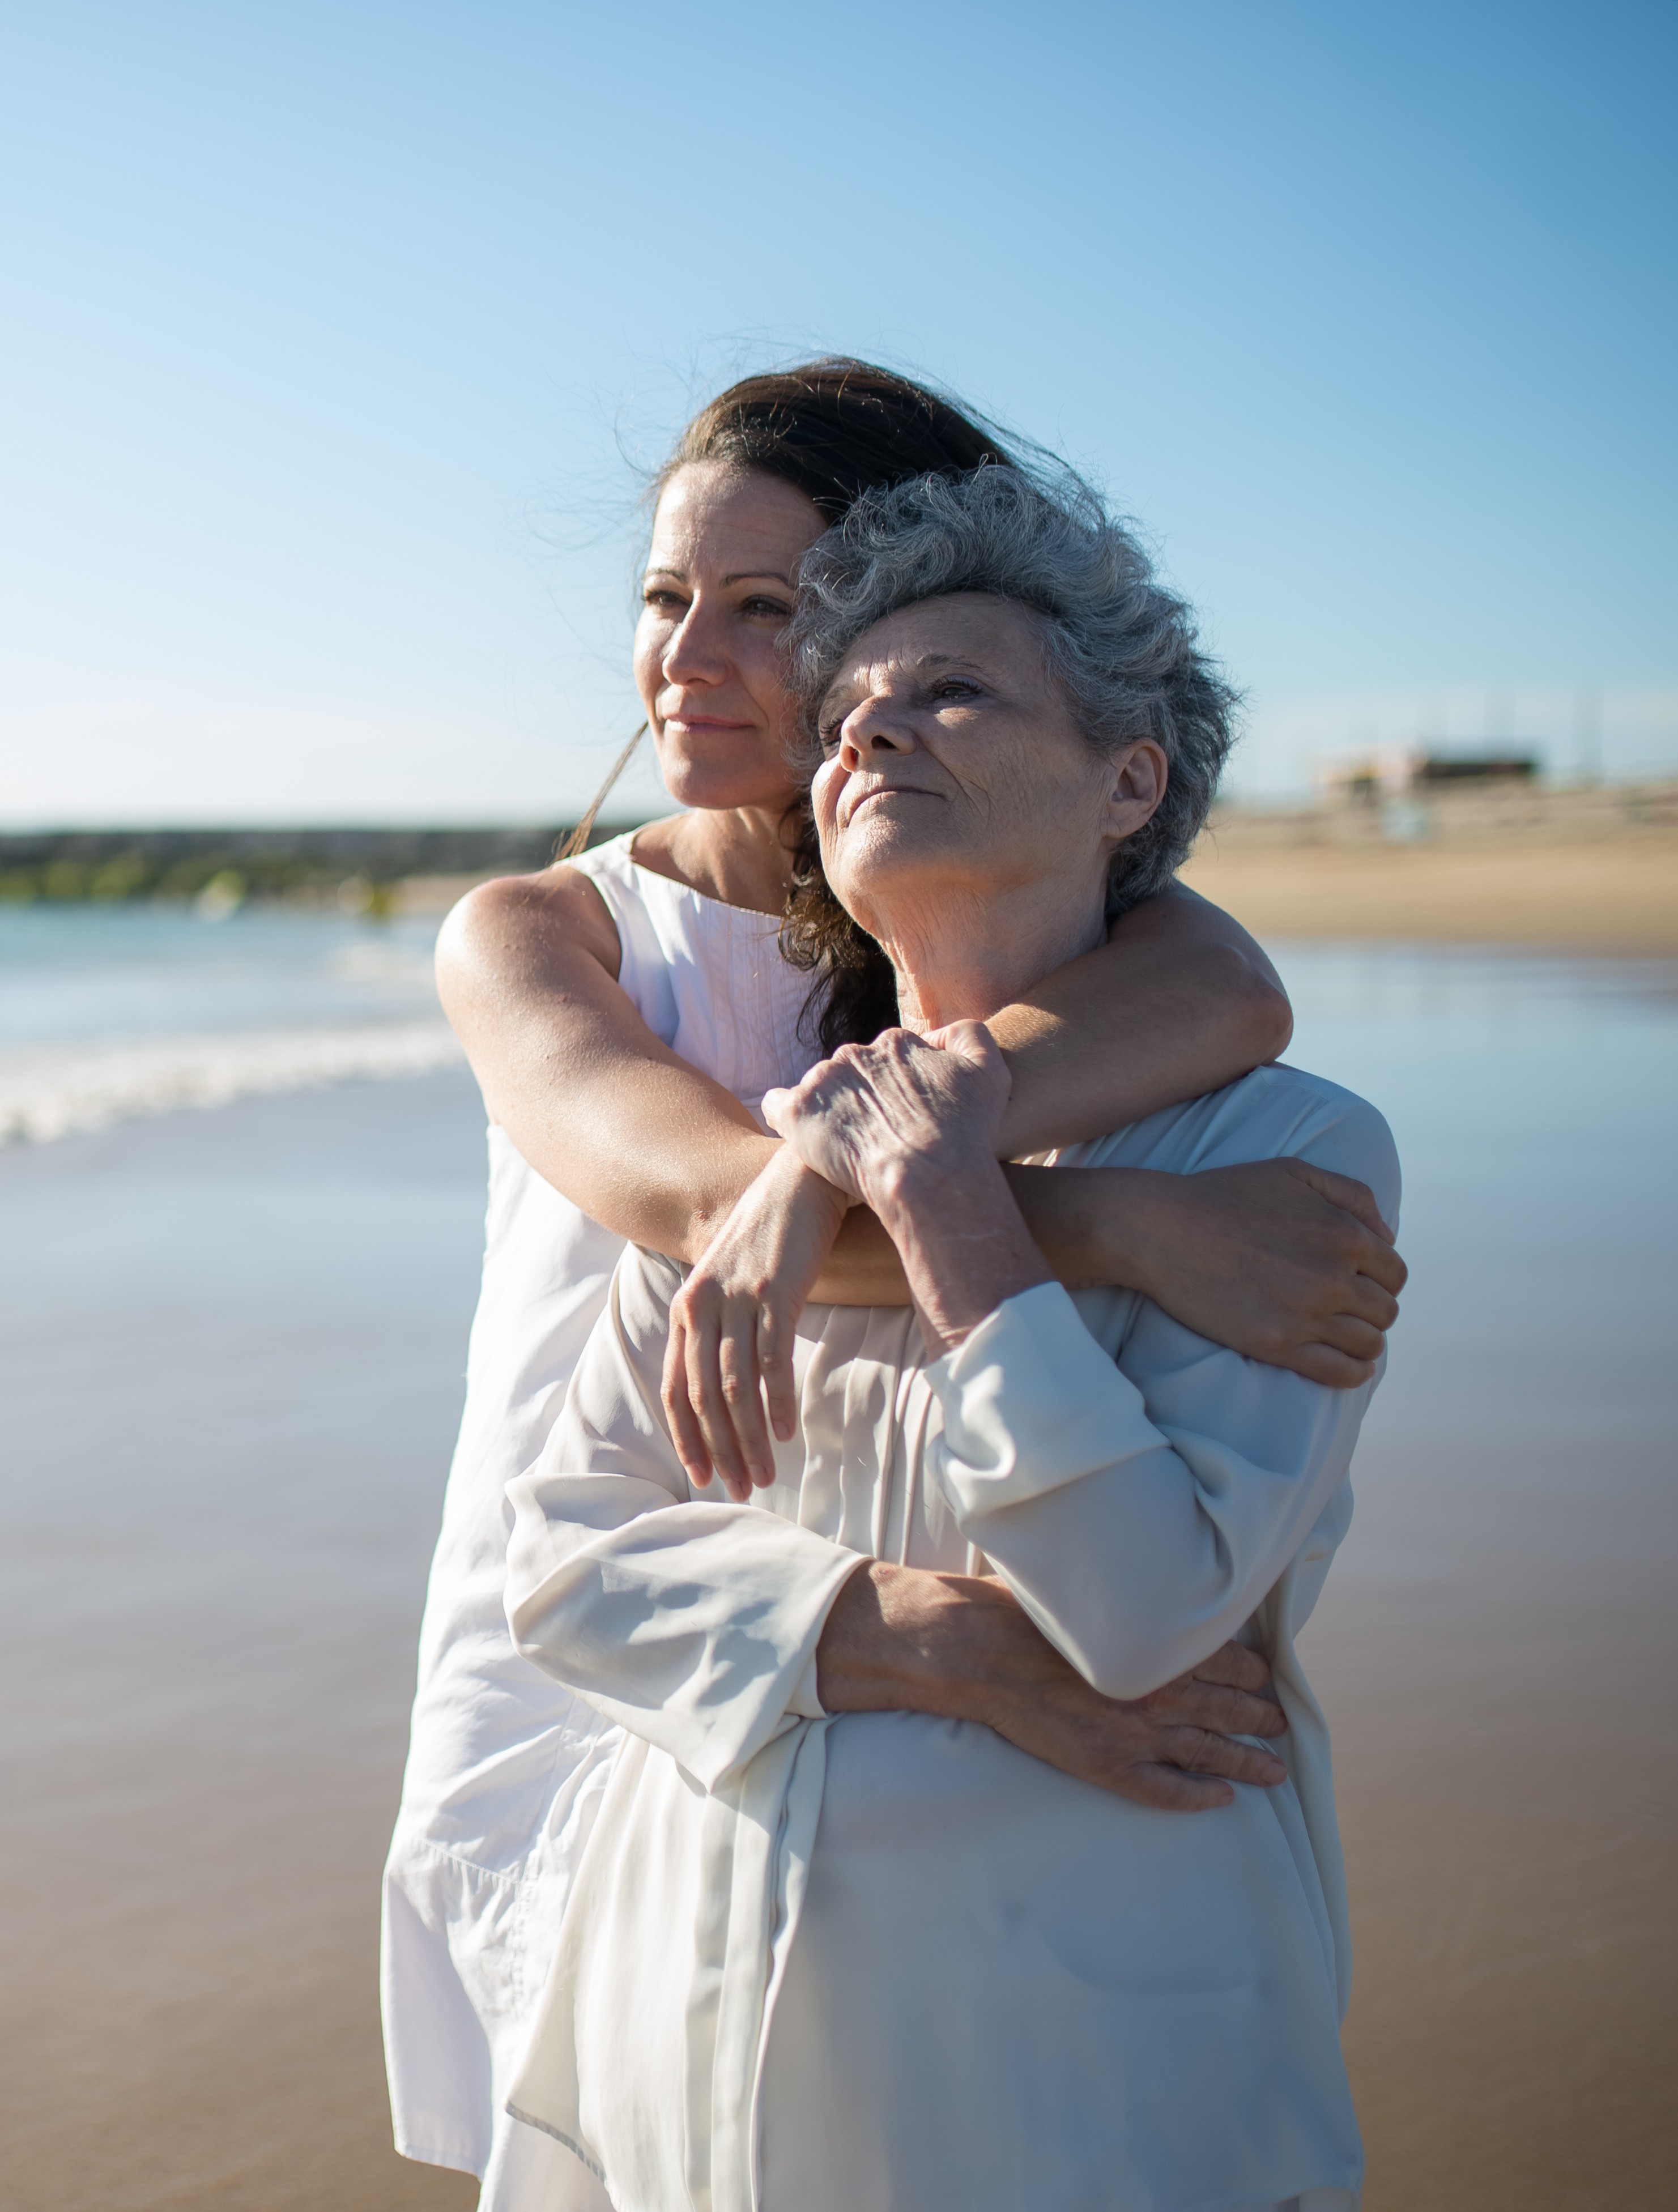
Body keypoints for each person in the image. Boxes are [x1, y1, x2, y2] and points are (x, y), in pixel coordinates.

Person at [382, 365, 1406, 2206]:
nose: (692, 652)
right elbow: (692, 1208)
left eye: (767, 608)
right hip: (611, 1705)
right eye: (664, 598)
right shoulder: (554, 936)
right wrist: (1088, 1227)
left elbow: (1228, 992)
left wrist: (921, 1153)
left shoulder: (1009, 973)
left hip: (970, 1818)